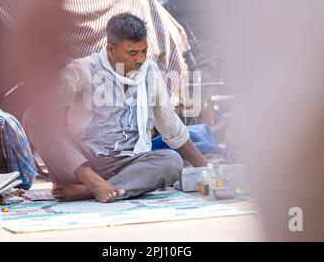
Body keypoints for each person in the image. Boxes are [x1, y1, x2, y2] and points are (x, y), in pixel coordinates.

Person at [29, 12, 207, 203]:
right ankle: (94, 183)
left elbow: (170, 126)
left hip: (129, 164)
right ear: (111, 49)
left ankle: (88, 191)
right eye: (132, 53)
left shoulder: (150, 72)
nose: (140, 59)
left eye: (144, 52)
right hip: (82, 164)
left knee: (172, 162)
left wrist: (207, 171)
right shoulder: (82, 70)